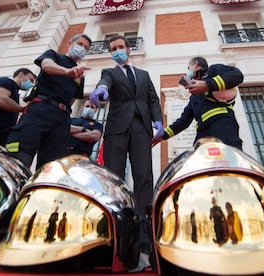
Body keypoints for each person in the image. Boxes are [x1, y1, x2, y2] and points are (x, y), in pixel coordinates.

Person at [89, 35, 164, 272]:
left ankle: (144, 245)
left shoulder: (143, 75)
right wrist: (101, 89)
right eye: (113, 49)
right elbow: (105, 82)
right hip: (117, 130)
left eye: (120, 47)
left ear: (128, 49)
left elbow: (152, 99)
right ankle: (115, 239)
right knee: (114, 180)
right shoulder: (109, 72)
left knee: (144, 178)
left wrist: (158, 122)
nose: (117, 51)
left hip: (141, 129)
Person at [6, 33, 92, 170]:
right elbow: (46, 65)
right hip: (40, 110)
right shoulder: (54, 56)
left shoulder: (80, 76)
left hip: (61, 120)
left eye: (86, 48)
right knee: (20, 159)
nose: (82, 48)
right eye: (80, 44)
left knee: (52, 167)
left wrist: (62, 108)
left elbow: (73, 98)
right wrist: (67, 72)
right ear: (70, 44)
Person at [153, 56, 244, 150]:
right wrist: (163, 135)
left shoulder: (214, 70)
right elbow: (183, 121)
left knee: (227, 159)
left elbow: (237, 75)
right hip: (202, 133)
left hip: (222, 125)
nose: (188, 71)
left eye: (188, 68)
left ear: (195, 64)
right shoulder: (194, 96)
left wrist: (208, 85)